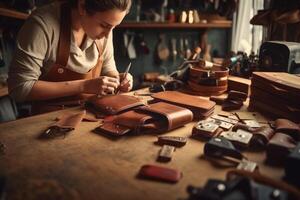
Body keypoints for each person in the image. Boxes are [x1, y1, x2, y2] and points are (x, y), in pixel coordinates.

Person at [7, 0, 133, 114]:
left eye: (114, 27)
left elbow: (108, 68)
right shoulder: (42, 25)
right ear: (82, 6)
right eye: (104, 26)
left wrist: (117, 80)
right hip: (48, 119)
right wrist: (84, 86)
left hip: (91, 113)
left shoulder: (105, 29)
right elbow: (19, 88)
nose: (108, 35)